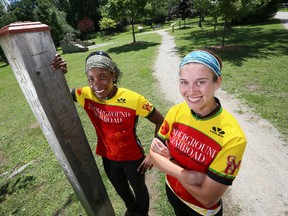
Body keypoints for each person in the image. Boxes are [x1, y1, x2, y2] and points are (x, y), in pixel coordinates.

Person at [51, 51, 164, 216]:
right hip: (108, 159)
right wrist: (60, 72)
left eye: (102, 77)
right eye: (91, 78)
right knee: (122, 191)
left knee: (139, 189)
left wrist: (154, 154)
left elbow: (161, 121)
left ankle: (143, 213)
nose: (96, 84)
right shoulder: (86, 95)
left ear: (113, 74)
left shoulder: (134, 100)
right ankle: (132, 211)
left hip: (133, 159)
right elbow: (60, 91)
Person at [149, 49, 247, 216]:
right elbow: (153, 154)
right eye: (184, 82)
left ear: (218, 82)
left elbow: (207, 198)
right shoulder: (176, 111)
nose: (191, 90)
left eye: (201, 82)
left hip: (201, 211)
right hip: (173, 191)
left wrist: (169, 160)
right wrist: (187, 176)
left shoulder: (233, 138)